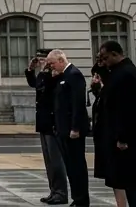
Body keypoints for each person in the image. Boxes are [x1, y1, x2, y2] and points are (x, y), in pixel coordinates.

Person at [96, 41, 136, 207]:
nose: (104, 61)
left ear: (116, 54)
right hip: (125, 139)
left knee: (135, 184)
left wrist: (123, 137)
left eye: (105, 57)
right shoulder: (119, 72)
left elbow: (128, 109)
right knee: (128, 182)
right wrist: (100, 67)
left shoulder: (126, 74)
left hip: (130, 142)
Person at [47, 50, 89, 207]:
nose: (51, 67)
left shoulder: (74, 74)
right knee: (70, 166)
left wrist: (75, 127)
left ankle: (82, 199)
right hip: (63, 129)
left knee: (77, 166)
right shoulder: (63, 76)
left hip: (73, 131)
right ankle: (77, 198)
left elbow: (77, 103)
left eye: (52, 63)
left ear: (60, 60)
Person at [25, 52, 66, 203]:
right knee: (49, 162)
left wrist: (43, 71)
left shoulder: (53, 77)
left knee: (56, 161)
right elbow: (35, 85)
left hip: (51, 123)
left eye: (44, 60)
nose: (42, 63)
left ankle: (61, 192)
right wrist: (30, 70)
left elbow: (43, 85)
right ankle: (54, 190)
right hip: (43, 123)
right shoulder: (46, 77)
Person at [89, 68, 112, 202]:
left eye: (96, 77)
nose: (93, 80)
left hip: (108, 138)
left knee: (117, 179)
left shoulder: (106, 94)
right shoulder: (100, 95)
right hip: (102, 138)